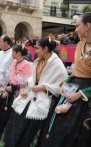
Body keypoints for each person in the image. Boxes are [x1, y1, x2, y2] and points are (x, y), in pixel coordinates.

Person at [38, 12, 91, 147]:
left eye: (78, 25)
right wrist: (65, 82)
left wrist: (80, 94)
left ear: (88, 26)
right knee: (57, 126)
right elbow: (76, 72)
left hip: (86, 96)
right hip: (73, 89)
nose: (76, 29)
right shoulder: (80, 45)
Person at [3, 37, 68, 147]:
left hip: (43, 102)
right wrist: (27, 84)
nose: (35, 51)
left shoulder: (58, 65)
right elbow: (33, 79)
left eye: (38, 48)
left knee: (31, 129)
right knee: (16, 123)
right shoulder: (39, 60)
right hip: (30, 96)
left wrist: (43, 87)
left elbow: (62, 87)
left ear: (45, 48)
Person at [0, 45, 32, 145]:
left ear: (18, 53)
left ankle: (3, 139)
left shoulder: (27, 64)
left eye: (13, 52)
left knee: (7, 115)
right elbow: (11, 75)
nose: (11, 54)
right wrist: (6, 84)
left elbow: (27, 81)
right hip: (9, 89)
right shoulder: (14, 62)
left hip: (17, 92)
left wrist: (14, 87)